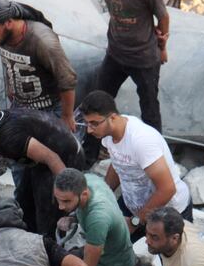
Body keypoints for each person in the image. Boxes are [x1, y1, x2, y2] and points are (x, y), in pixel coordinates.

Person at [79, 90, 191, 242]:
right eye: (86, 123)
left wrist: (135, 221)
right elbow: (119, 162)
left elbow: (167, 189)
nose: (89, 129)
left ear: (112, 117)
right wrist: (102, 194)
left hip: (167, 214)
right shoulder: (109, 134)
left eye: (94, 123)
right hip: (136, 207)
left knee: (164, 262)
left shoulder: (141, 141)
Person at [0, 109, 85, 235]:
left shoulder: (9, 138)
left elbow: (52, 158)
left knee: (48, 214)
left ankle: (49, 248)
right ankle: (30, 242)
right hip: (39, 158)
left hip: (63, 157)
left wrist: (65, 190)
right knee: (24, 203)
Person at [93, 0, 169, 132]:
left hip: (143, 58)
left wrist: (162, 47)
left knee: (150, 109)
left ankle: (154, 154)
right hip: (115, 54)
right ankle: (91, 152)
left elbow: (163, 17)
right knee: (99, 102)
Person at [53, 168, 146, 266]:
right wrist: (73, 217)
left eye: (66, 201)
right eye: (58, 200)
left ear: (84, 194)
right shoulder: (88, 179)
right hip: (97, 254)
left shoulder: (98, 217)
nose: (60, 207)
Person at [0, 0, 77, 133]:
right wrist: (10, 86)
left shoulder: (43, 41)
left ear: (9, 22)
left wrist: (67, 116)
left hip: (50, 109)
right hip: (20, 107)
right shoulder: (2, 36)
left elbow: (67, 79)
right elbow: (8, 61)